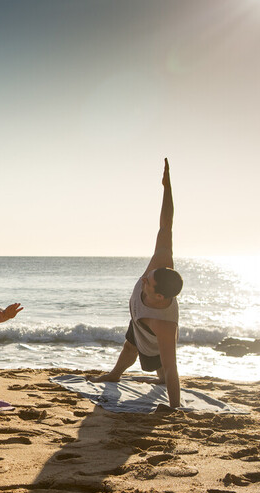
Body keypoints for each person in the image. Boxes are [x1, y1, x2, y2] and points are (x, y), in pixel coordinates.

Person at [93, 158, 183, 409]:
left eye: (149, 282)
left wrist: (174, 408)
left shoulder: (163, 325)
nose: (144, 277)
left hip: (152, 332)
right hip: (139, 318)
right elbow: (167, 224)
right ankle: (115, 374)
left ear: (160, 298)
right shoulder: (161, 263)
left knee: (162, 368)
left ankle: (162, 386)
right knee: (130, 345)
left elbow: (172, 366)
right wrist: (167, 188)